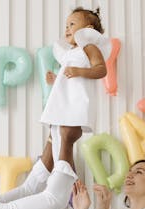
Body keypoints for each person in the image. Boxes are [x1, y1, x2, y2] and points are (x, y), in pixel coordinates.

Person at [40, 7, 111, 164]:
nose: (67, 29)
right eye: (66, 25)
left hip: (75, 104)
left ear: (88, 29)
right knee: (57, 140)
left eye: (72, 24)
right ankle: (61, 174)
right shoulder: (70, 53)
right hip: (64, 103)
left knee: (64, 140)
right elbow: (69, 78)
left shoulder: (89, 47)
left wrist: (79, 71)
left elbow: (101, 70)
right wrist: (57, 79)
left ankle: (65, 176)